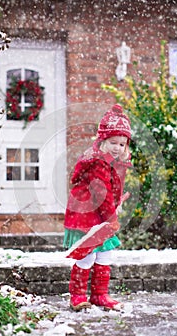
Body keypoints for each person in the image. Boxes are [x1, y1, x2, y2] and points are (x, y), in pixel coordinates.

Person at [64, 104, 132, 311]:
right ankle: (77, 296)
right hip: (87, 217)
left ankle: (99, 295)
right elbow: (101, 194)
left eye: (122, 144)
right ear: (102, 140)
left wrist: (115, 204)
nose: (117, 147)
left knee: (104, 255)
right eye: (113, 142)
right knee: (87, 256)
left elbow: (111, 192)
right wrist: (111, 216)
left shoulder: (113, 162)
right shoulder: (98, 162)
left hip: (101, 216)